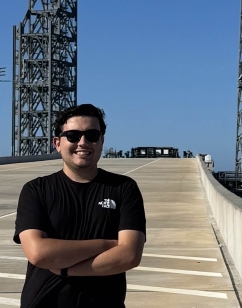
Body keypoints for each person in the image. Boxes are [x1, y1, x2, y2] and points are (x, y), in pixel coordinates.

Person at [14, 104, 146, 308]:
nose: (83, 142)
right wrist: (107, 245)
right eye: (73, 136)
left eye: (92, 135)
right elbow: (39, 253)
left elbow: (129, 255)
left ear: (101, 141)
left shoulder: (123, 189)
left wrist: (65, 269)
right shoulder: (36, 190)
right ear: (57, 143)